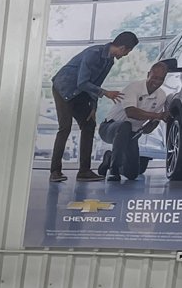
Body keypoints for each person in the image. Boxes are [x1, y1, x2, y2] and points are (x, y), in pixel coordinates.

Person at [49, 31, 138, 182]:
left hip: (80, 92)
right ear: (122, 48)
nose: (127, 54)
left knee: (89, 125)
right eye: (128, 51)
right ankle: (55, 171)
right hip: (64, 88)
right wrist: (106, 93)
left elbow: (95, 84)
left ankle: (84, 171)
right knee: (65, 127)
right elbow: (82, 82)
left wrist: (93, 107)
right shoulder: (93, 54)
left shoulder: (109, 61)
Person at [99, 58, 175, 182]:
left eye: (160, 79)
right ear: (148, 74)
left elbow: (148, 129)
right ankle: (114, 170)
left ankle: (110, 157)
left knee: (132, 173)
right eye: (154, 77)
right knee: (125, 125)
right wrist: (157, 116)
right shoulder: (134, 87)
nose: (156, 82)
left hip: (132, 134)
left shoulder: (161, 96)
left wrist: (156, 121)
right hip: (110, 128)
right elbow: (131, 113)